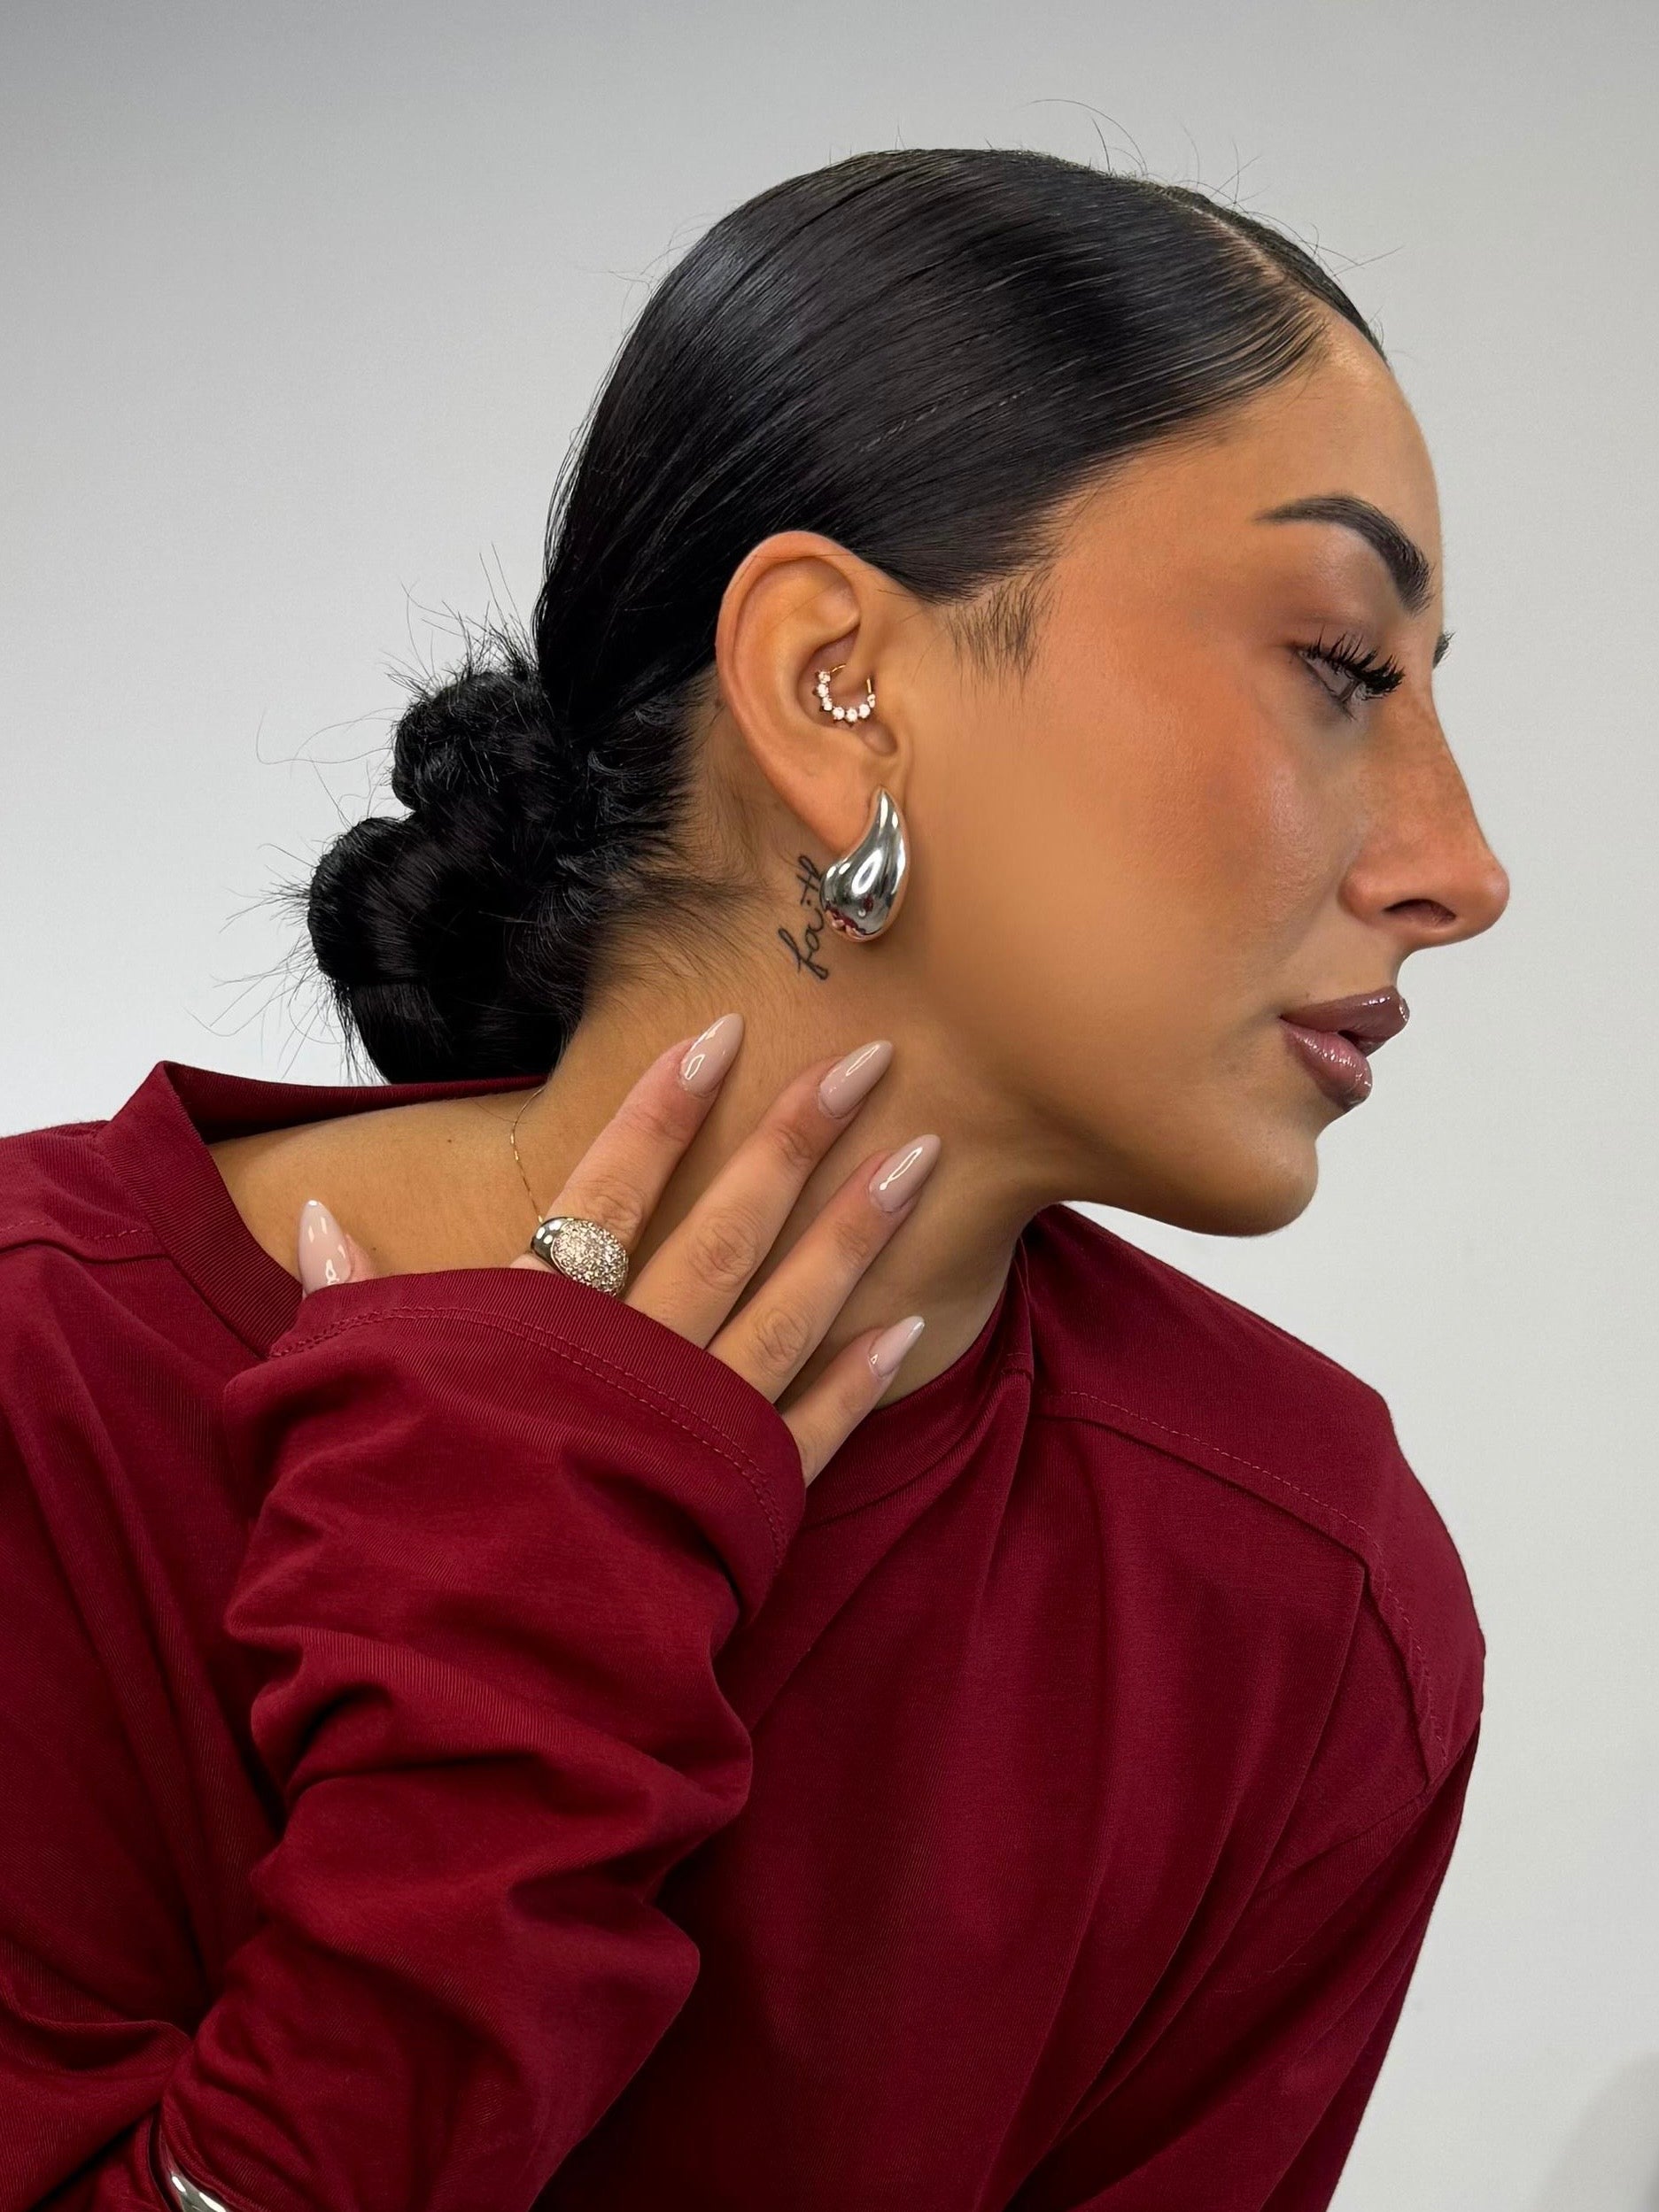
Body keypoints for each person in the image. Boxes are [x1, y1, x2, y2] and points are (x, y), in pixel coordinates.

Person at [0, 145, 1509, 2211]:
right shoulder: (45, 1388)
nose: (1460, 867)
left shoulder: (1297, 1602)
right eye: (1341, 668)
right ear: (831, 681)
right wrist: (502, 1713)